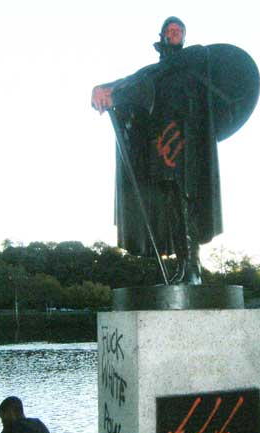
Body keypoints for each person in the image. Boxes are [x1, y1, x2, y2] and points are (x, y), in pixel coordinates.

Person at [90, 17, 223, 285]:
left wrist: (113, 88)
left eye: (179, 31)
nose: (175, 34)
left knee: (185, 197)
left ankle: (192, 268)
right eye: (170, 31)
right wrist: (110, 93)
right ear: (161, 35)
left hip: (187, 142)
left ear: (184, 36)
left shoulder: (196, 55)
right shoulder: (156, 73)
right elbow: (145, 83)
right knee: (172, 202)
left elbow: (150, 74)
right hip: (163, 144)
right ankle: (184, 266)